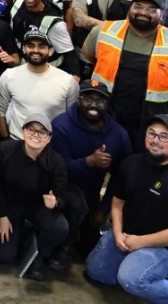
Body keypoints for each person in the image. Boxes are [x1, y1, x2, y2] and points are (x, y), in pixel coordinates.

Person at [84, 114, 168, 304]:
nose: (156, 140)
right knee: (97, 272)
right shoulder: (131, 163)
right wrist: (117, 233)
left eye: (164, 136)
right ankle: (137, 268)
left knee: (131, 279)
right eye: (152, 134)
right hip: (129, 235)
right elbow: (117, 203)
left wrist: (140, 242)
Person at [82, 0, 168, 149]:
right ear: (130, 8)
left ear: (162, 15)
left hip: (150, 125)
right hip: (106, 117)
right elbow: (90, 55)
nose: (143, 12)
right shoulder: (103, 31)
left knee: (138, 168)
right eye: (138, 6)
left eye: (152, 9)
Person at [50, 79, 133, 260]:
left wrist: (104, 209)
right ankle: (64, 244)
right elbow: (58, 169)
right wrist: (88, 162)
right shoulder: (61, 126)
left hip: (93, 191)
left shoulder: (119, 135)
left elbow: (122, 176)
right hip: (61, 187)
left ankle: (77, 238)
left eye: (100, 101)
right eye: (87, 99)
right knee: (76, 206)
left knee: (89, 248)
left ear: (107, 104)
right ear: (78, 100)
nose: (93, 105)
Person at [0, 114, 70, 280]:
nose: (35, 135)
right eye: (31, 129)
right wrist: (2, 215)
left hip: (37, 206)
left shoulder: (55, 161)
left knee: (60, 227)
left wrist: (55, 203)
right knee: (3, 256)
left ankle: (39, 252)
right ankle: (22, 236)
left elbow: (61, 194)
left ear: (49, 138)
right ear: (23, 131)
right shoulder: (5, 150)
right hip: (10, 205)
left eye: (42, 132)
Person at [0, 28, 79, 139]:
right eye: (30, 46)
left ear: (50, 51)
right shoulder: (9, 76)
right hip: (17, 141)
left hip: (52, 145)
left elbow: (72, 118)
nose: (36, 50)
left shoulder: (67, 81)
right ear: (23, 49)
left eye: (41, 46)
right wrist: (6, 140)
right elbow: (1, 111)